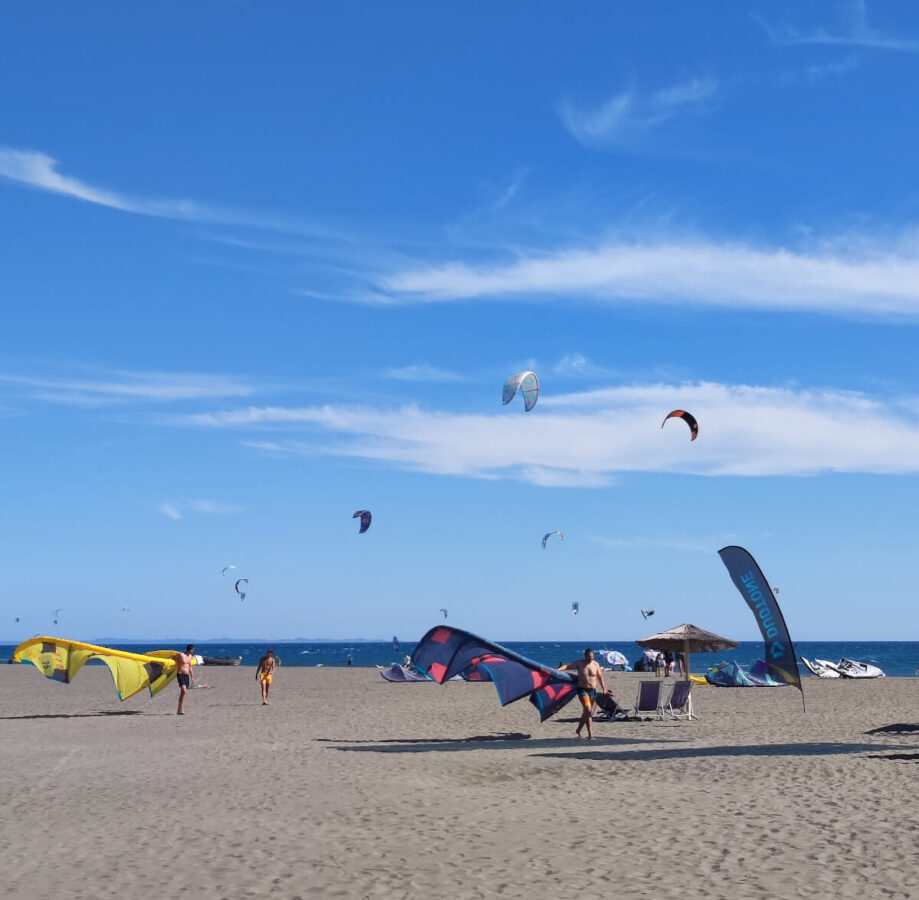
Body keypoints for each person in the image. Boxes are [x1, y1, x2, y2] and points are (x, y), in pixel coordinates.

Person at [558, 648, 607, 739]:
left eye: (592, 657)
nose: (590, 658)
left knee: (587, 713)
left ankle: (579, 730)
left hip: (592, 691)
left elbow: (600, 678)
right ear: (585, 656)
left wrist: (604, 689)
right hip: (582, 690)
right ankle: (590, 735)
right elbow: (567, 666)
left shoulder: (596, 665)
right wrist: (558, 670)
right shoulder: (579, 663)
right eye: (589, 657)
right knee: (588, 710)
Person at [174, 644, 195, 715]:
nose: (193, 651)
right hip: (180, 674)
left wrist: (192, 677)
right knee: (183, 690)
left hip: (186, 675)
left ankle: (179, 709)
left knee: (183, 692)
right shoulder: (181, 655)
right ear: (190, 649)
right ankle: (179, 709)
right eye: (193, 650)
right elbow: (172, 658)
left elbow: (190, 667)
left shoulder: (190, 657)